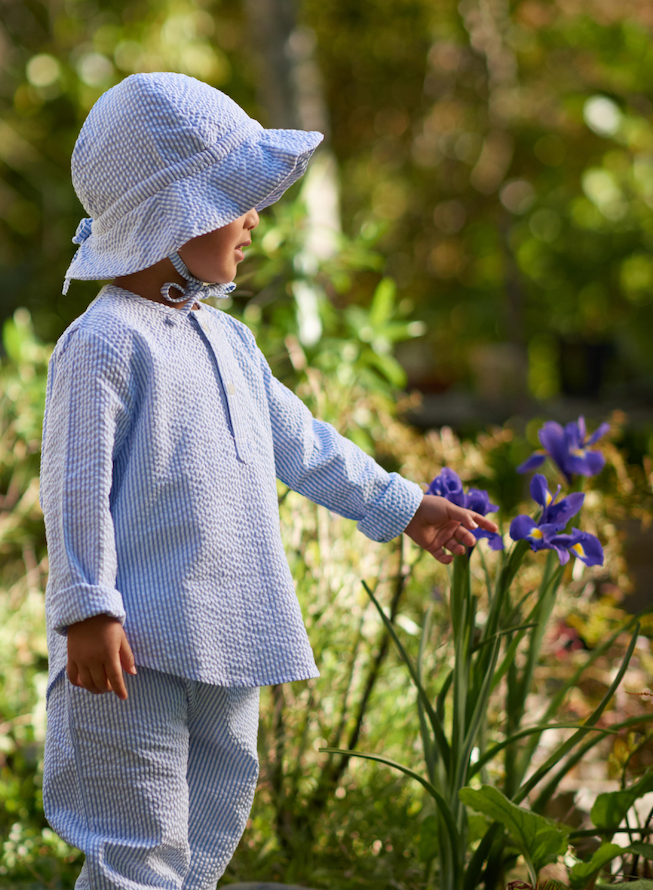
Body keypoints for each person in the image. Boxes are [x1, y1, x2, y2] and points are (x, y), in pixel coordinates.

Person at [39, 72, 496, 890]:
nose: (254, 218)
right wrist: (86, 608)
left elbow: (307, 445)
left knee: (214, 812)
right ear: (169, 214)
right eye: (232, 198)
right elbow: (74, 487)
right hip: (128, 643)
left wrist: (404, 505)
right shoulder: (105, 342)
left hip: (227, 629)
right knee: (137, 830)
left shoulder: (230, 343)